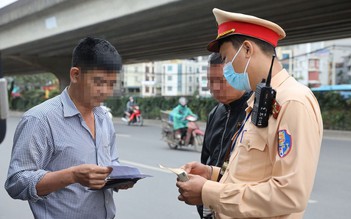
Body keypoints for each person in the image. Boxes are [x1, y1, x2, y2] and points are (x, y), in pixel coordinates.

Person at [176, 8, 323, 219]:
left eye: (227, 59)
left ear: (246, 49)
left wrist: (208, 191)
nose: (226, 68)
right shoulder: (260, 99)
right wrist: (212, 174)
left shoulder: (292, 101)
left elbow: (290, 195)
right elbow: (254, 173)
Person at [5, 37, 128, 219]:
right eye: (99, 82)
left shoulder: (103, 117)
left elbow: (111, 161)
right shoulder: (40, 119)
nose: (106, 91)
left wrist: (119, 178)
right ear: (75, 75)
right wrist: (72, 175)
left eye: (111, 84)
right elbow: (16, 183)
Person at [197, 53, 251, 219]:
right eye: (211, 81)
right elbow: (206, 159)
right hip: (210, 207)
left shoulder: (254, 112)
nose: (215, 88)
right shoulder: (215, 112)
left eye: (221, 81)